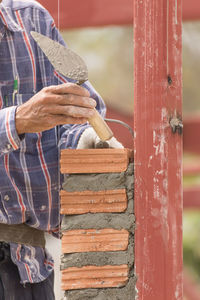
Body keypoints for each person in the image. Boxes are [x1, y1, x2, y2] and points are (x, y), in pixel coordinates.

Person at [0, 0, 122, 299]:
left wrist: (85, 141)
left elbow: (71, 120)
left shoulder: (31, 18)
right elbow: (24, 119)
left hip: (27, 267)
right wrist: (16, 120)